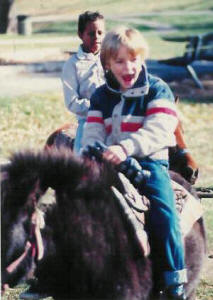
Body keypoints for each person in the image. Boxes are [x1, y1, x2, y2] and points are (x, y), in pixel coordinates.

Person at [82, 26, 187, 300]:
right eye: (119, 61)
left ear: (142, 59)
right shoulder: (101, 96)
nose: (128, 66)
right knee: (74, 202)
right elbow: (93, 130)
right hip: (110, 162)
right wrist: (93, 151)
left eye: (134, 59)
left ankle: (175, 278)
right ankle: (56, 270)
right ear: (107, 64)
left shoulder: (157, 90)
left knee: (163, 211)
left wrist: (125, 147)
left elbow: (159, 129)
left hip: (149, 162)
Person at [61, 11, 105, 154]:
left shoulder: (111, 58)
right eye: (91, 33)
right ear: (80, 34)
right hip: (88, 123)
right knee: (81, 163)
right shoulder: (72, 65)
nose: (97, 37)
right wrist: (98, 107)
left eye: (100, 32)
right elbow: (72, 102)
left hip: (114, 119)